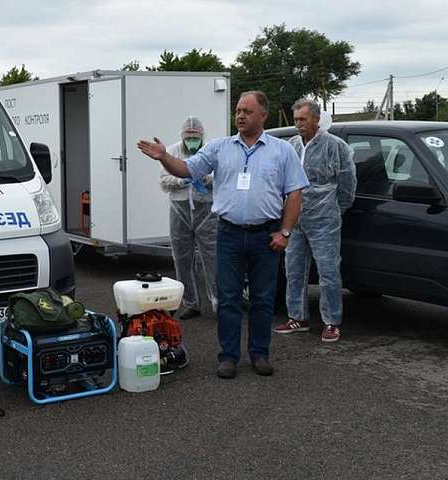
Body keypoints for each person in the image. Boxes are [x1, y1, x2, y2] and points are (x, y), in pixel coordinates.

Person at [138, 91, 308, 379]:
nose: (240, 115)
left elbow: (295, 193)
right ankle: (228, 357)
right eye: (238, 110)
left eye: (247, 111)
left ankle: (259, 353)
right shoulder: (220, 148)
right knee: (228, 298)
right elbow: (187, 169)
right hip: (228, 233)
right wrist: (164, 157)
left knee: (263, 299)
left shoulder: (282, 151)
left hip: (266, 236)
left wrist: (286, 232)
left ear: (263, 115)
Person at [274, 99, 356, 342]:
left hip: (324, 220)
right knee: (294, 269)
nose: (298, 124)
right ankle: (297, 317)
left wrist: (334, 209)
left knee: (328, 271)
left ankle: (331, 321)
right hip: (294, 221)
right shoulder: (291, 146)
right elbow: (282, 181)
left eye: (303, 119)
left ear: (316, 119)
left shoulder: (335, 146)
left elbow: (347, 183)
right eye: (296, 119)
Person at [159, 116, 217, 319]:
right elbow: (164, 180)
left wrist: (205, 179)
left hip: (206, 210)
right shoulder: (172, 152)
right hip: (179, 209)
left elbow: (219, 177)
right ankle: (190, 303)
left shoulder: (210, 150)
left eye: (195, 136)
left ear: (202, 136)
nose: (192, 139)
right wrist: (182, 180)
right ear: (182, 136)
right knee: (182, 257)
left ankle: (218, 302)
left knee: (212, 257)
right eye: (188, 136)